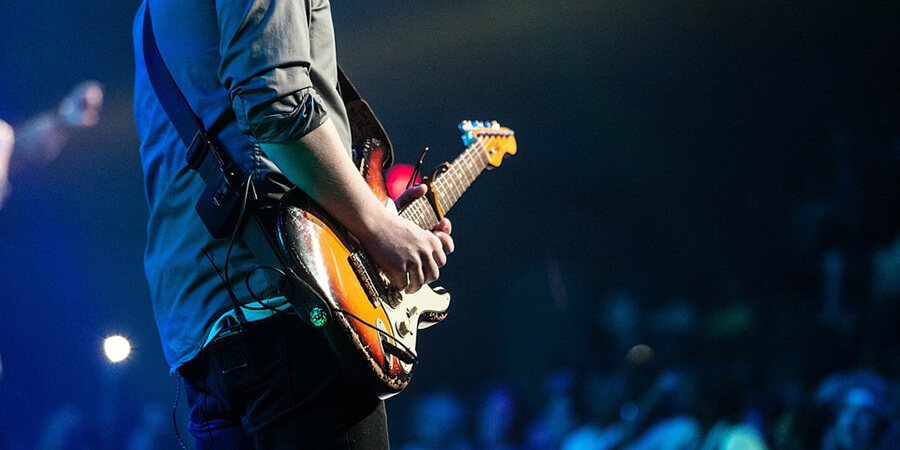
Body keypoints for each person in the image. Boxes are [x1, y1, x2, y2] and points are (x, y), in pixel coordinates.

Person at [132, 0, 454, 448]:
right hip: (293, 312)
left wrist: (375, 214)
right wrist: (380, 230)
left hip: (203, 333)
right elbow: (276, 105)